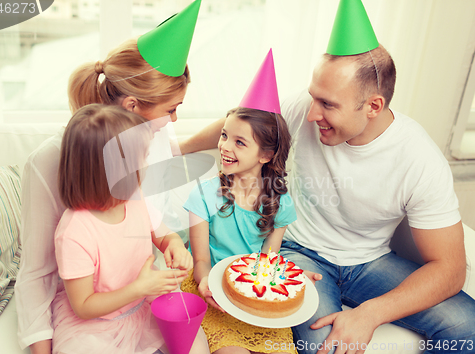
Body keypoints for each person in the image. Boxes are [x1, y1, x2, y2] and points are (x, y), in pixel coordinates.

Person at [14, 2, 215, 353]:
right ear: (133, 107)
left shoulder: (150, 143)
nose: (173, 121)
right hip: (95, 313)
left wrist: (172, 244)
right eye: (171, 110)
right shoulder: (51, 163)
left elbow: (154, 226)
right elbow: (37, 273)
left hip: (139, 303)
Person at [277, 1, 475, 353]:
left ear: (373, 106)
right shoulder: (301, 109)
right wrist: (178, 146)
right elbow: (241, 123)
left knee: (469, 326)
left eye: (327, 104)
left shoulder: (420, 160)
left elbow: (450, 269)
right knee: (328, 347)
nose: (311, 114)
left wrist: (372, 312)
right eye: (313, 98)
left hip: (369, 262)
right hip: (300, 253)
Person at [181, 50, 321, 354]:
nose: (224, 147)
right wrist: (206, 282)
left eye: (239, 142)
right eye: (224, 135)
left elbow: (267, 263)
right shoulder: (203, 197)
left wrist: (291, 277)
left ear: (266, 155)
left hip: (253, 295)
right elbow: (201, 261)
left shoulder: (279, 202)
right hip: (210, 291)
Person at [51, 103, 208, 354]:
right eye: (143, 158)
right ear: (116, 171)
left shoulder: (136, 198)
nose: (147, 164)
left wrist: (175, 246)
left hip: (143, 306)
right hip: (96, 326)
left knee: (195, 346)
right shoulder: (74, 232)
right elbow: (83, 305)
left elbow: (162, 234)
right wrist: (138, 288)